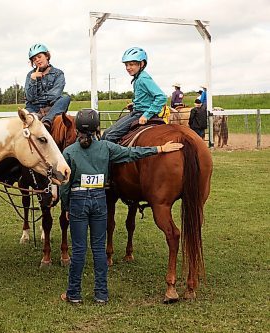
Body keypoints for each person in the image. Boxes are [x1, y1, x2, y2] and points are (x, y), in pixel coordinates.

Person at [60, 109, 183, 304]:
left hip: (78, 201)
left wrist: (66, 206)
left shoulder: (68, 152)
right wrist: (159, 149)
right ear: (96, 129)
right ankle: (101, 294)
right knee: (99, 249)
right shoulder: (107, 147)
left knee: (79, 249)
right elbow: (132, 153)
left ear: (76, 130)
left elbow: (65, 185)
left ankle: (74, 294)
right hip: (100, 199)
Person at [102, 47, 167, 143]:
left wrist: (146, 115)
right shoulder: (138, 78)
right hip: (137, 111)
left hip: (141, 113)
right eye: (126, 65)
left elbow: (161, 97)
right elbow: (145, 97)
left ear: (142, 64)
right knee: (107, 132)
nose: (128, 68)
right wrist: (134, 104)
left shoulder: (143, 78)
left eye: (131, 64)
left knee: (110, 136)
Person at [24, 43, 71, 130]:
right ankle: (36, 117)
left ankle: (47, 120)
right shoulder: (30, 75)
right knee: (26, 111)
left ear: (46, 56)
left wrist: (38, 99)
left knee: (65, 98)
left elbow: (55, 95)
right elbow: (29, 97)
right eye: (34, 59)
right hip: (34, 109)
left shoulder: (58, 73)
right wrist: (33, 80)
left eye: (39, 56)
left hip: (51, 107)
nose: (37, 60)